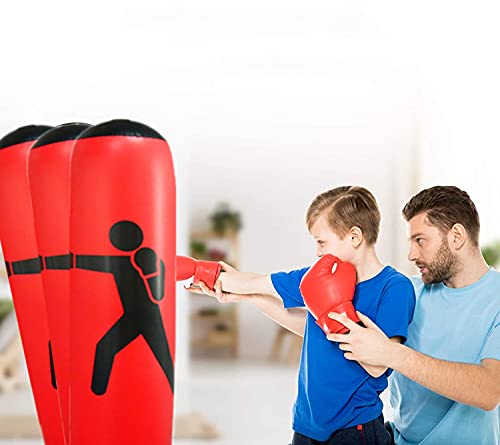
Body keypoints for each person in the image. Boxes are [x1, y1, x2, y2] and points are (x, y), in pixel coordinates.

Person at [188, 186, 416, 444]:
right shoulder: (318, 276)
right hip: (307, 424)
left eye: (322, 242)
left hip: (355, 428)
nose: (318, 252)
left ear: (354, 237)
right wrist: (213, 280)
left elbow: (378, 366)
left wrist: (334, 311)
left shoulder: (394, 287)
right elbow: (258, 283)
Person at [327, 186, 500, 445]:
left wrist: (389, 353)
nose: (411, 255)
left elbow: (489, 389)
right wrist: (253, 294)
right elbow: (342, 328)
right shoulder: (408, 290)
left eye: (420, 240)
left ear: (456, 236)